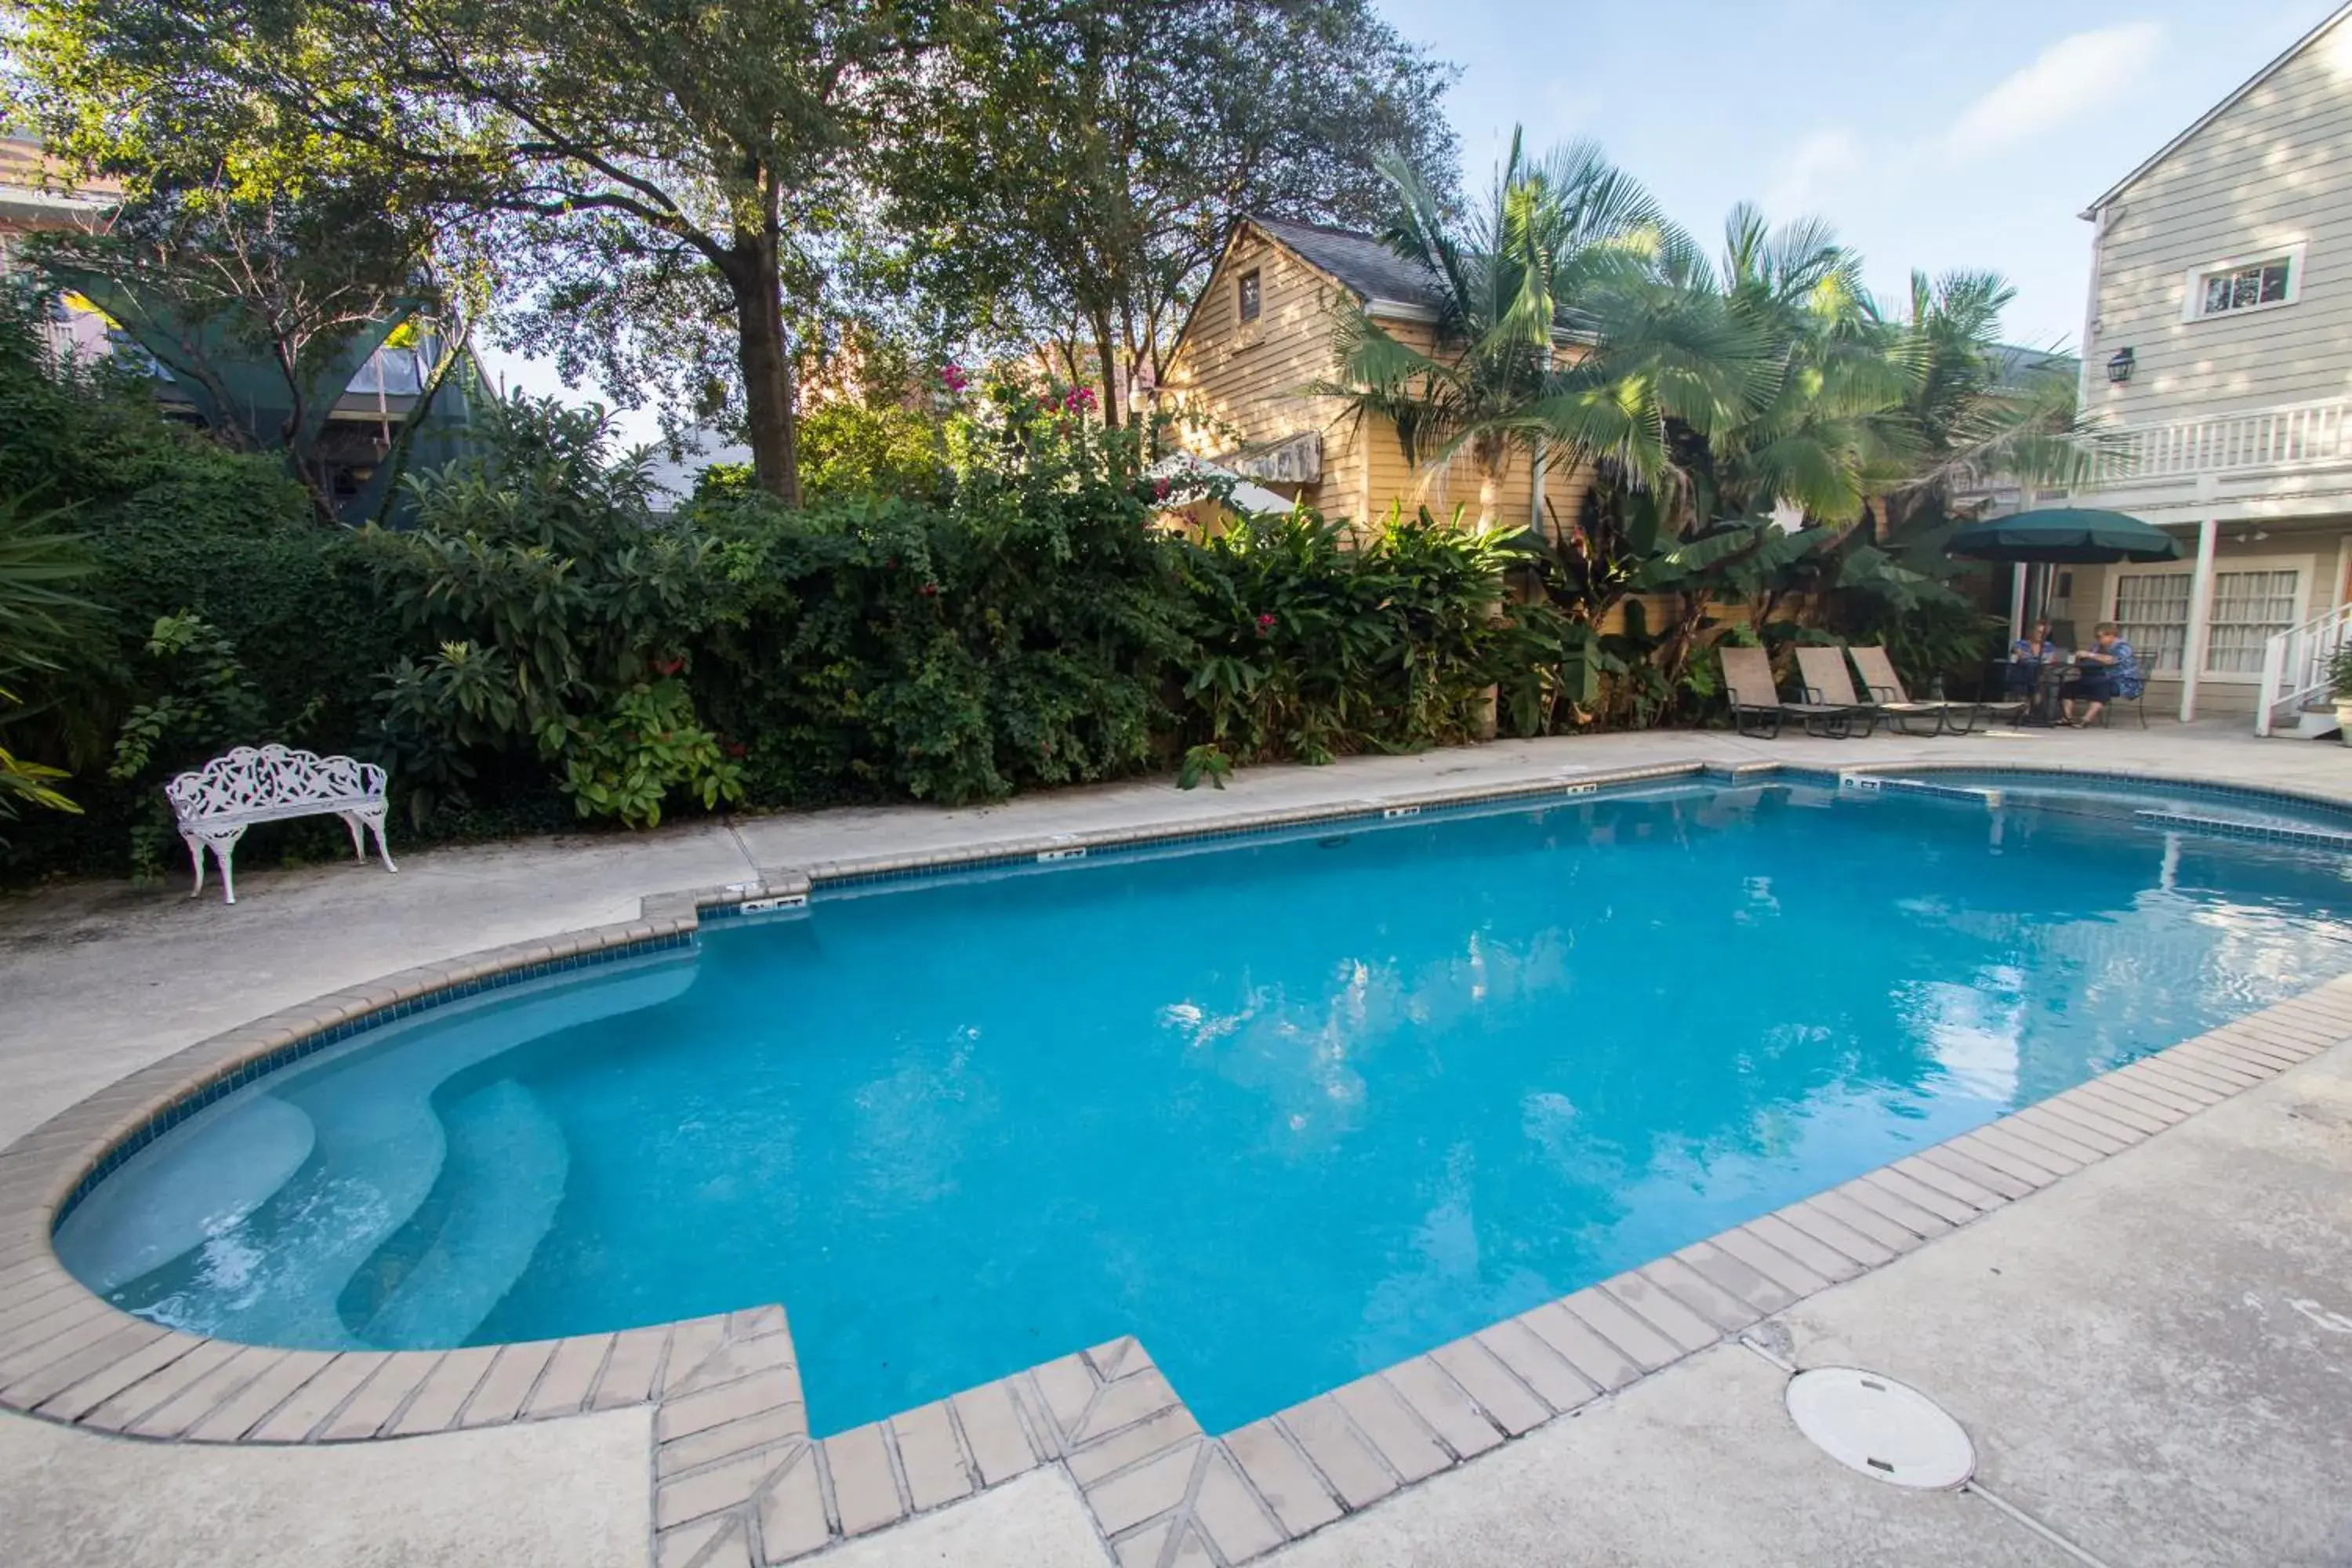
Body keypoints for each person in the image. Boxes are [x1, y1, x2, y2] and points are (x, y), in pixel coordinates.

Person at [2062, 622, 2139, 728]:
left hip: (2122, 682)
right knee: (2069, 686)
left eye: (2100, 637)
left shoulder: (2123, 647)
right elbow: (2091, 659)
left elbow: (2111, 660)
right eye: (2096, 637)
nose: (2098, 640)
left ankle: (2085, 720)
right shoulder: (2096, 646)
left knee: (2102, 685)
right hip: (2097, 677)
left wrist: (2090, 654)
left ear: (2111, 635)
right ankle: (2068, 718)